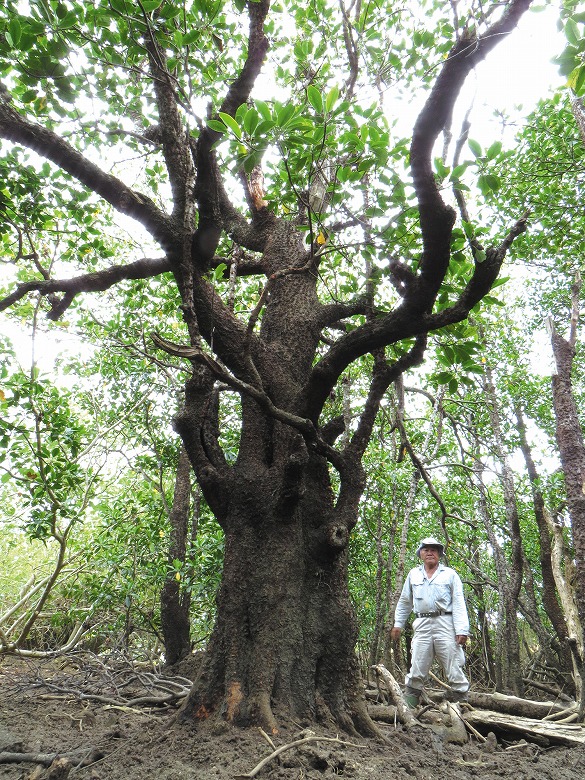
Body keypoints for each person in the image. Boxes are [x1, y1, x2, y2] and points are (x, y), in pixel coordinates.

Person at [390, 537, 470, 708]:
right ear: (420, 554)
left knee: (453, 663)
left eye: (434, 549)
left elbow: (458, 602)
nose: (430, 552)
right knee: (417, 665)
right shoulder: (413, 574)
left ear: (439, 554)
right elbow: (405, 601)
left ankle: (462, 707)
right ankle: (408, 710)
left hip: (446, 623)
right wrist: (398, 624)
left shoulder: (450, 574)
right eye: (426, 549)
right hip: (422, 623)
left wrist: (462, 629)